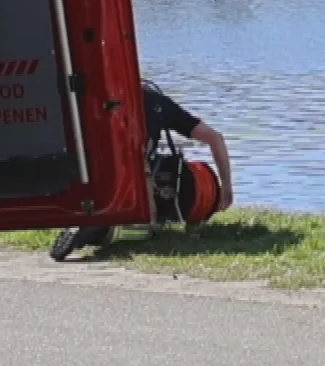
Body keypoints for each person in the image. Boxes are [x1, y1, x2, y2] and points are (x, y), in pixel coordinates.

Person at [50, 80, 234, 259]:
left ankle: (93, 225)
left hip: (89, 171)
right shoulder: (156, 103)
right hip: (134, 174)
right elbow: (215, 138)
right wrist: (226, 186)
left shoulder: (97, 98)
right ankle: (104, 228)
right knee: (148, 220)